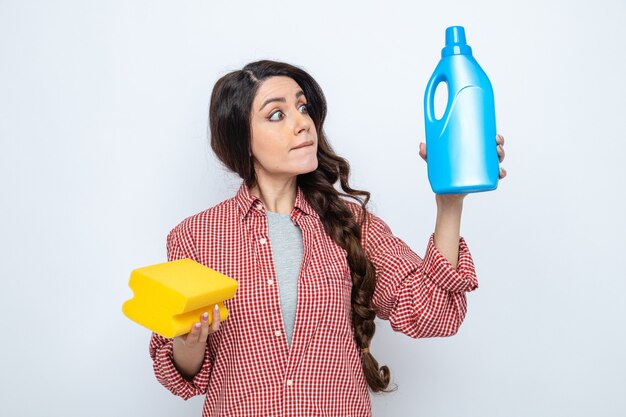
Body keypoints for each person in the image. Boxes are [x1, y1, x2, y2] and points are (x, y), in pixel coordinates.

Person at [149, 60, 507, 416]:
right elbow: (178, 375)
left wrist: (449, 203)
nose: (302, 123)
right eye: (277, 115)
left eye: (302, 107)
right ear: (241, 139)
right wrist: (188, 343)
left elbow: (434, 314)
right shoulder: (195, 237)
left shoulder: (353, 225)